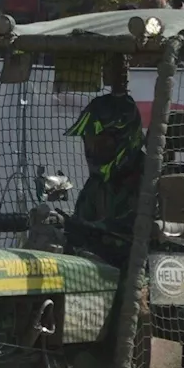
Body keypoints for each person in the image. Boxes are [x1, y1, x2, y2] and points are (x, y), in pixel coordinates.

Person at [62, 92, 145, 270]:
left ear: (125, 139)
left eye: (101, 143)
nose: (92, 150)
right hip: (97, 276)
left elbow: (137, 235)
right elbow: (81, 221)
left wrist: (89, 233)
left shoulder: (150, 180)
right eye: (89, 142)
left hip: (139, 279)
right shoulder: (97, 185)